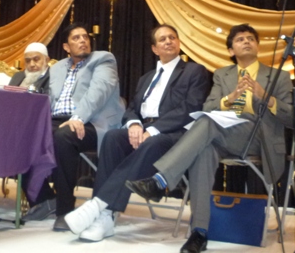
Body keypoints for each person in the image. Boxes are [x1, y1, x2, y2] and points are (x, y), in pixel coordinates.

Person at [127, 24, 292, 253]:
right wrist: (230, 98)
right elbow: (210, 106)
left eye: (250, 38)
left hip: (258, 136)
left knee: (206, 122)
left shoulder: (278, 76)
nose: (246, 41)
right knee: (204, 146)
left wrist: (266, 97)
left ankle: (161, 180)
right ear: (231, 50)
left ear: (257, 46)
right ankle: (199, 233)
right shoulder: (222, 75)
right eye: (240, 39)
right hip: (224, 132)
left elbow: (291, 117)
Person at [64, 24, 210, 241]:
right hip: (144, 131)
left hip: (174, 135)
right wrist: (133, 124)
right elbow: (133, 108)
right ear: (154, 49)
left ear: (179, 43)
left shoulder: (194, 71)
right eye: (162, 39)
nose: (168, 41)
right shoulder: (146, 77)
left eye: (172, 37)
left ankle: (98, 206)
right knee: (113, 138)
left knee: (152, 143)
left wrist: (152, 129)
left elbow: (190, 108)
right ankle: (105, 218)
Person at [22, 23, 124, 230]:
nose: (82, 41)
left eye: (84, 37)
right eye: (76, 38)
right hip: (59, 120)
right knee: (24, 136)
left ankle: (65, 209)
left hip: (94, 123)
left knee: (63, 136)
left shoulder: (103, 59)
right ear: (66, 47)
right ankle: (43, 199)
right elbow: (49, 100)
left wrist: (78, 117)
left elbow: (98, 92)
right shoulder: (58, 67)